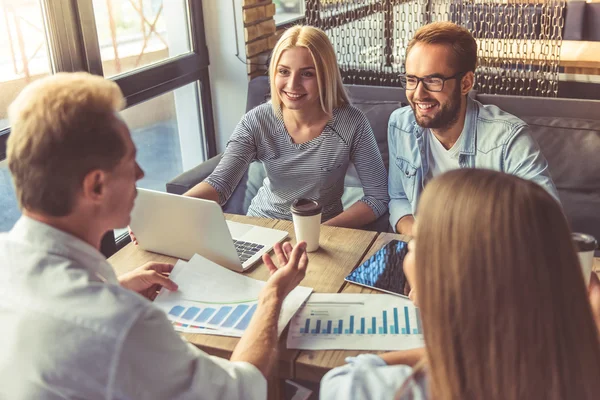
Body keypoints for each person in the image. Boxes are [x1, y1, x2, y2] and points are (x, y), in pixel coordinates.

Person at [0, 72, 308, 399]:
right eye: (131, 162)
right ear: (96, 186)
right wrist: (273, 295)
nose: (141, 174)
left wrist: (114, 289)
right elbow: (242, 390)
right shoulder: (122, 326)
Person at [320, 169, 600, 400]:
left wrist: (454, 343)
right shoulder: (575, 375)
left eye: (417, 244)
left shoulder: (367, 389)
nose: (409, 250)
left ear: (446, 280)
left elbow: (342, 379)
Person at [185, 25, 389, 228]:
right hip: (262, 226)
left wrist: (322, 232)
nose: (292, 85)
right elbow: (219, 185)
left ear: (326, 76)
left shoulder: (352, 123)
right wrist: (176, 206)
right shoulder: (256, 121)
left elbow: (378, 197)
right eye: (283, 71)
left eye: (307, 74)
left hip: (324, 234)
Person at [388, 22, 558, 235]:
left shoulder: (508, 139)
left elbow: (547, 222)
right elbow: (399, 199)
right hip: (425, 253)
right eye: (411, 80)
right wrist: (424, 240)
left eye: (433, 80)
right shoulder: (400, 125)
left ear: (466, 83)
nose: (418, 94)